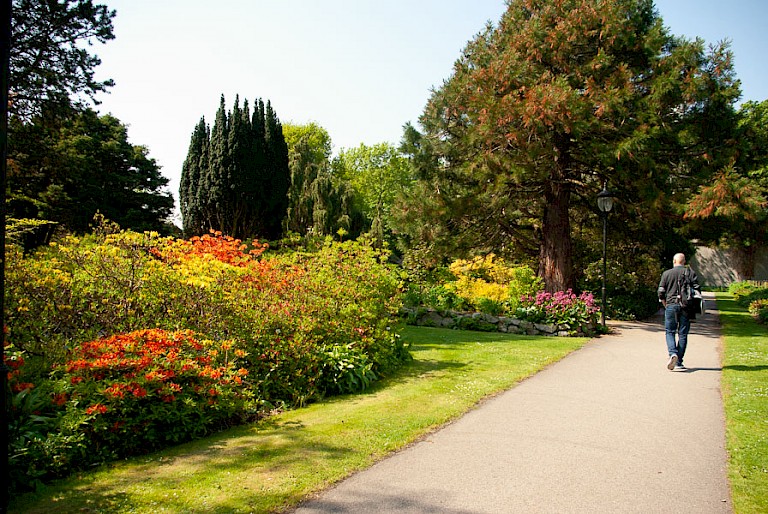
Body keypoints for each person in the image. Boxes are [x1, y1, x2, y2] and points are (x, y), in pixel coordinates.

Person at [657, 253, 701, 371]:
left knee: (670, 331)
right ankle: (679, 361)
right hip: (686, 307)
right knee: (683, 333)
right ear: (684, 261)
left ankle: (672, 353)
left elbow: (661, 291)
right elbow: (697, 291)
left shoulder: (667, 274)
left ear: (674, 261)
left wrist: (665, 303)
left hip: (671, 305)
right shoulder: (690, 273)